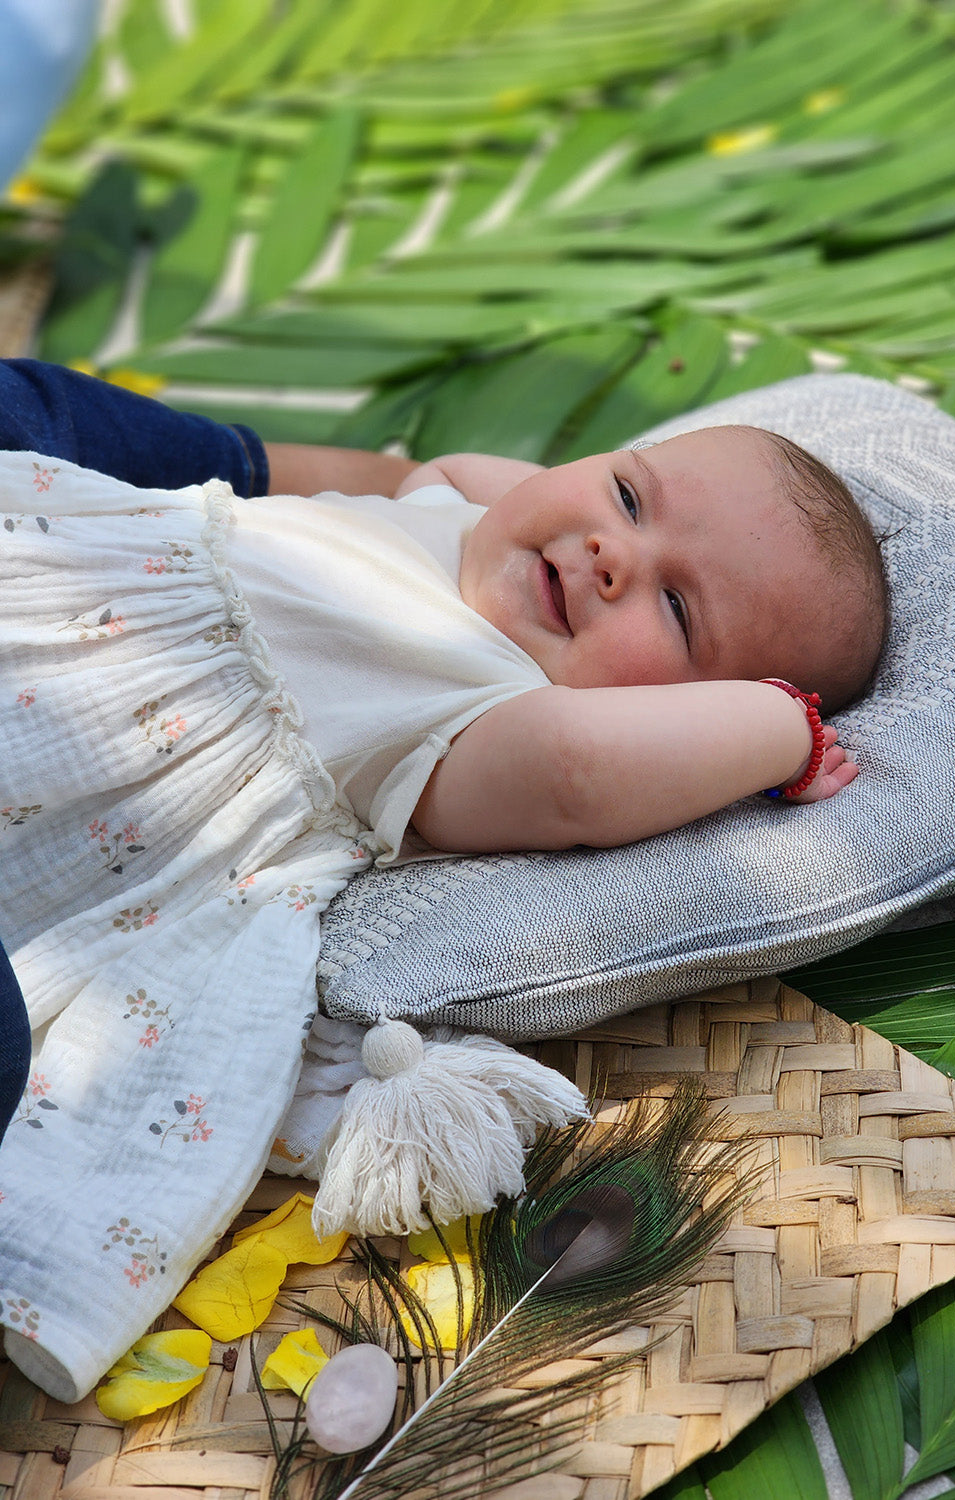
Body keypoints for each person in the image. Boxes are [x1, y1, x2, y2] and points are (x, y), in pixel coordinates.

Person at [0, 358, 887, 1403]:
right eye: (629, 494)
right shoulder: (452, 514)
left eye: (680, 611)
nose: (612, 555)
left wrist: (780, 725)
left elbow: (581, 775)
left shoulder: (487, 709)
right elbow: (473, 471)